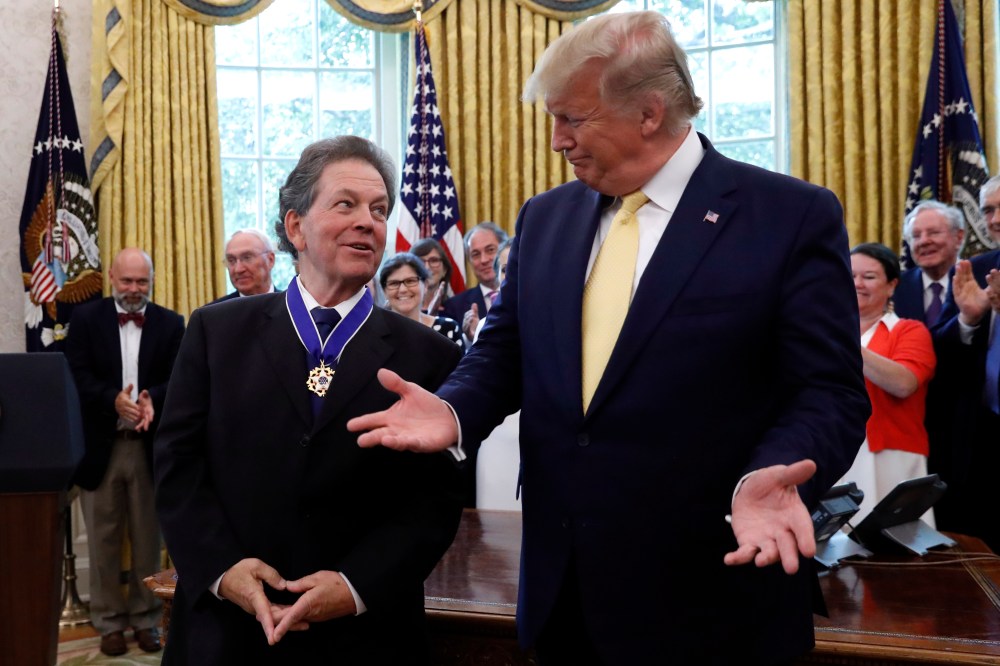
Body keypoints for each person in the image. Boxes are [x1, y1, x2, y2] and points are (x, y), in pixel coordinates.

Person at [348, 11, 869, 665]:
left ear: (650, 113)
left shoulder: (787, 216)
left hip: (714, 598)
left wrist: (767, 475)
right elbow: (506, 351)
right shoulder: (546, 218)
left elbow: (829, 393)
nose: (557, 140)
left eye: (573, 118)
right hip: (565, 599)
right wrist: (454, 409)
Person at [153, 136, 464, 664]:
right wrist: (224, 570)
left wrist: (356, 585)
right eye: (346, 204)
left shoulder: (429, 356)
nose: (368, 220)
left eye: (379, 209)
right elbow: (177, 467)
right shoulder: (216, 331)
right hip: (227, 633)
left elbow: (435, 504)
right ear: (295, 225)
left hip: (368, 635)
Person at [65, 248, 184, 656]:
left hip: (149, 448)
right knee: (103, 540)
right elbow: (75, 375)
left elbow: (180, 379)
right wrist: (111, 400)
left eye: (142, 281)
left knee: (149, 538)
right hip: (101, 447)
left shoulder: (171, 323)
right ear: (112, 277)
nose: (134, 289)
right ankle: (109, 622)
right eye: (127, 280)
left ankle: (147, 617)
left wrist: (154, 398)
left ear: (152, 280)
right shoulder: (84, 319)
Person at [839, 243, 936, 525]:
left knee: (894, 550)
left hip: (888, 455)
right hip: (831, 451)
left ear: (892, 285)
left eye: (869, 277)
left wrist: (844, 340)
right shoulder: (819, 331)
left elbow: (904, 383)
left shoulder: (909, 330)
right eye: (851, 275)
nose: (857, 283)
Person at [930, 174, 1000, 551]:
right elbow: (938, 354)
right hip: (982, 438)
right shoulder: (974, 268)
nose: (994, 219)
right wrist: (968, 320)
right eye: (988, 209)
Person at [895, 201, 964, 326]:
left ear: (958, 238)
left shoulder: (983, 281)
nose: (924, 241)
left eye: (934, 233)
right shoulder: (896, 287)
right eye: (916, 236)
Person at [441, 222, 509, 340]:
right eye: (475, 254)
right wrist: (471, 339)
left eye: (490, 250)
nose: (484, 260)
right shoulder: (453, 307)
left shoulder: (524, 297)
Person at [379, 251, 462, 346]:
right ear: (384, 291)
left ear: (426, 285)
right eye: (394, 283)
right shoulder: (374, 333)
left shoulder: (448, 328)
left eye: (410, 281)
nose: (402, 289)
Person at [210, 228, 278, 303]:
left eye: (247, 258)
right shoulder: (212, 313)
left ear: (270, 260)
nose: (238, 269)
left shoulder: (290, 307)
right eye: (231, 260)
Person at [411, 237, 453, 314]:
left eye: (434, 260)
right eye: (420, 261)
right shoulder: (403, 309)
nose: (427, 267)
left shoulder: (455, 309)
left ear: (444, 270)